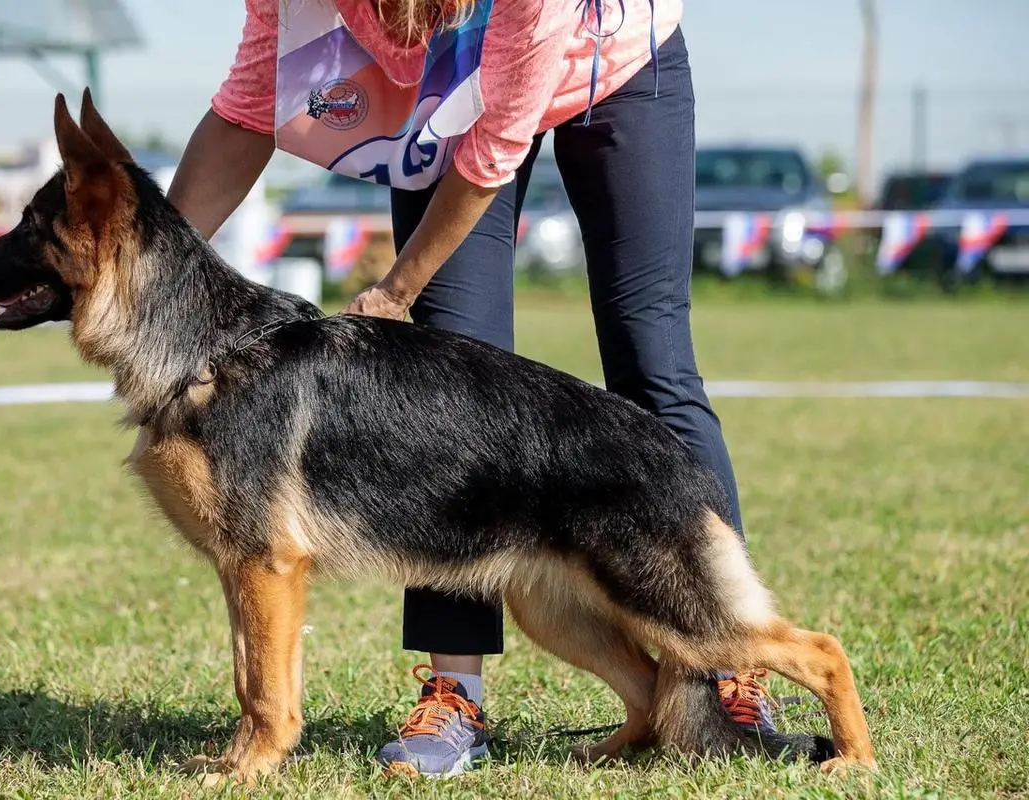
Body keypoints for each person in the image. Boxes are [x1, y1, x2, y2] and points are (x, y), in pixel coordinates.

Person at [167, 0, 776, 778]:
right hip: (447, 98)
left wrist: (395, 289)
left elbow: (494, 154)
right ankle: (455, 693)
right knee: (450, 387)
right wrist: (152, 264)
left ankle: (729, 669)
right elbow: (252, 106)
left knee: (653, 358)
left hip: (616, 61)